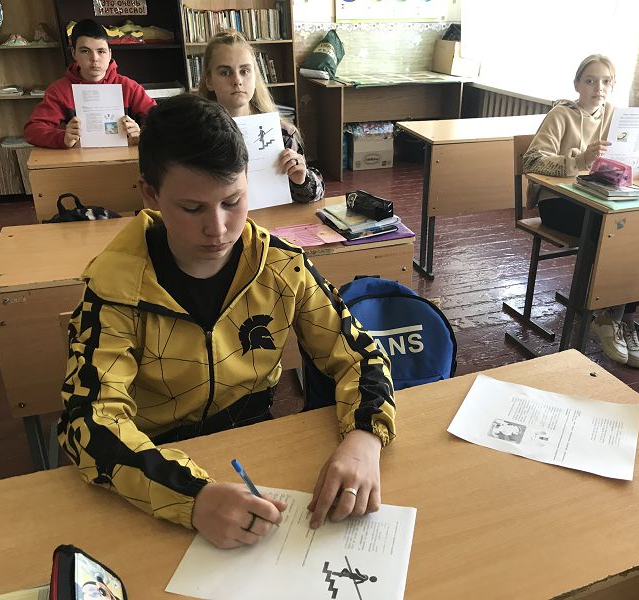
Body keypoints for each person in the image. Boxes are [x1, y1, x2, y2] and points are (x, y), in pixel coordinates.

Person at [57, 93, 396, 550]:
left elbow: (360, 354)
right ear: (150, 194)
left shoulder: (281, 266)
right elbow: (89, 423)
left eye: (233, 201)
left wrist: (364, 439)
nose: (217, 228)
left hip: (256, 444)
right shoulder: (114, 290)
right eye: (192, 208)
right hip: (155, 462)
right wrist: (193, 497)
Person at [523, 54, 639, 369]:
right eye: (590, 81)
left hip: (603, 200)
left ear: (613, 85)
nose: (598, 88)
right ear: (577, 84)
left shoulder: (616, 116)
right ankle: (604, 315)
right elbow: (531, 161)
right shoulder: (561, 115)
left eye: (606, 81)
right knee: (613, 234)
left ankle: (619, 317)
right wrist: (579, 161)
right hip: (559, 203)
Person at [199, 30, 324, 203]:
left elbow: (316, 194)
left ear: (255, 76)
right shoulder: (196, 134)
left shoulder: (282, 134)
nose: (237, 80)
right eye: (225, 72)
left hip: (272, 218)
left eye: (245, 71)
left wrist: (301, 179)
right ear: (209, 81)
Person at [24, 19, 155, 149]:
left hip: (122, 157)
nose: (94, 58)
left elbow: (160, 120)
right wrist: (62, 138)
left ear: (110, 54)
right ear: (74, 54)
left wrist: (142, 133)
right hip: (79, 159)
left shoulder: (129, 87)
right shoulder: (60, 90)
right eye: (85, 51)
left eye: (101, 51)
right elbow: (32, 130)